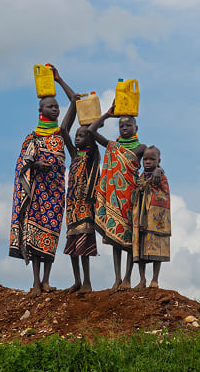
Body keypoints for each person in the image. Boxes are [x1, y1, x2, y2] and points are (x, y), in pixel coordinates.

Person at [8, 68, 68, 295]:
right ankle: (35, 282)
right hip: (36, 192)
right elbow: (21, 166)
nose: (56, 109)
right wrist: (35, 166)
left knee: (50, 235)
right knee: (34, 234)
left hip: (55, 191)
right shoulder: (31, 138)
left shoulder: (61, 134)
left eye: (56, 106)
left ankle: (46, 281)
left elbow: (73, 101)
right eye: (51, 106)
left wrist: (59, 79)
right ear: (40, 110)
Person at [51, 70, 108, 294]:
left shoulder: (93, 155)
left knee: (84, 245)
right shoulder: (75, 155)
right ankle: (76, 281)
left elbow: (93, 130)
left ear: (90, 139)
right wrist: (68, 96)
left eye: (82, 135)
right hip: (72, 206)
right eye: (77, 135)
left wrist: (104, 117)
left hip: (86, 206)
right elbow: (63, 129)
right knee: (72, 245)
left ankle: (87, 283)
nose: (77, 137)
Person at [89, 105, 148, 291]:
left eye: (128, 125)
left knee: (130, 241)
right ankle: (117, 278)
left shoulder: (141, 148)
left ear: (136, 128)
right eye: (121, 125)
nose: (124, 128)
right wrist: (107, 114)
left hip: (131, 199)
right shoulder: (113, 146)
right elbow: (91, 131)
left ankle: (128, 279)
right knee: (115, 240)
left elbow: (152, 164)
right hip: (114, 199)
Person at [130, 145, 170, 289]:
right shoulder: (140, 177)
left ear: (158, 160)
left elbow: (163, 195)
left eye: (152, 159)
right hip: (140, 218)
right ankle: (142, 280)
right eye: (145, 159)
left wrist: (158, 172)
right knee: (140, 248)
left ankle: (155, 280)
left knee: (156, 247)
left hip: (154, 219)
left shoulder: (160, 176)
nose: (148, 162)